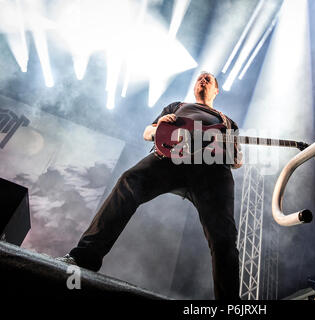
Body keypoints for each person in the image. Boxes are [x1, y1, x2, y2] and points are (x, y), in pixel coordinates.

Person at [57, 72, 243, 300]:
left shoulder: (227, 122)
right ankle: (84, 257)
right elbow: (148, 132)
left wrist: (230, 151)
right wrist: (158, 128)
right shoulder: (177, 106)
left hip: (212, 172)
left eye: (208, 79)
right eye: (199, 78)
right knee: (129, 182)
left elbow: (237, 161)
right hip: (171, 158)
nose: (202, 80)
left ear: (216, 90)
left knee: (224, 236)